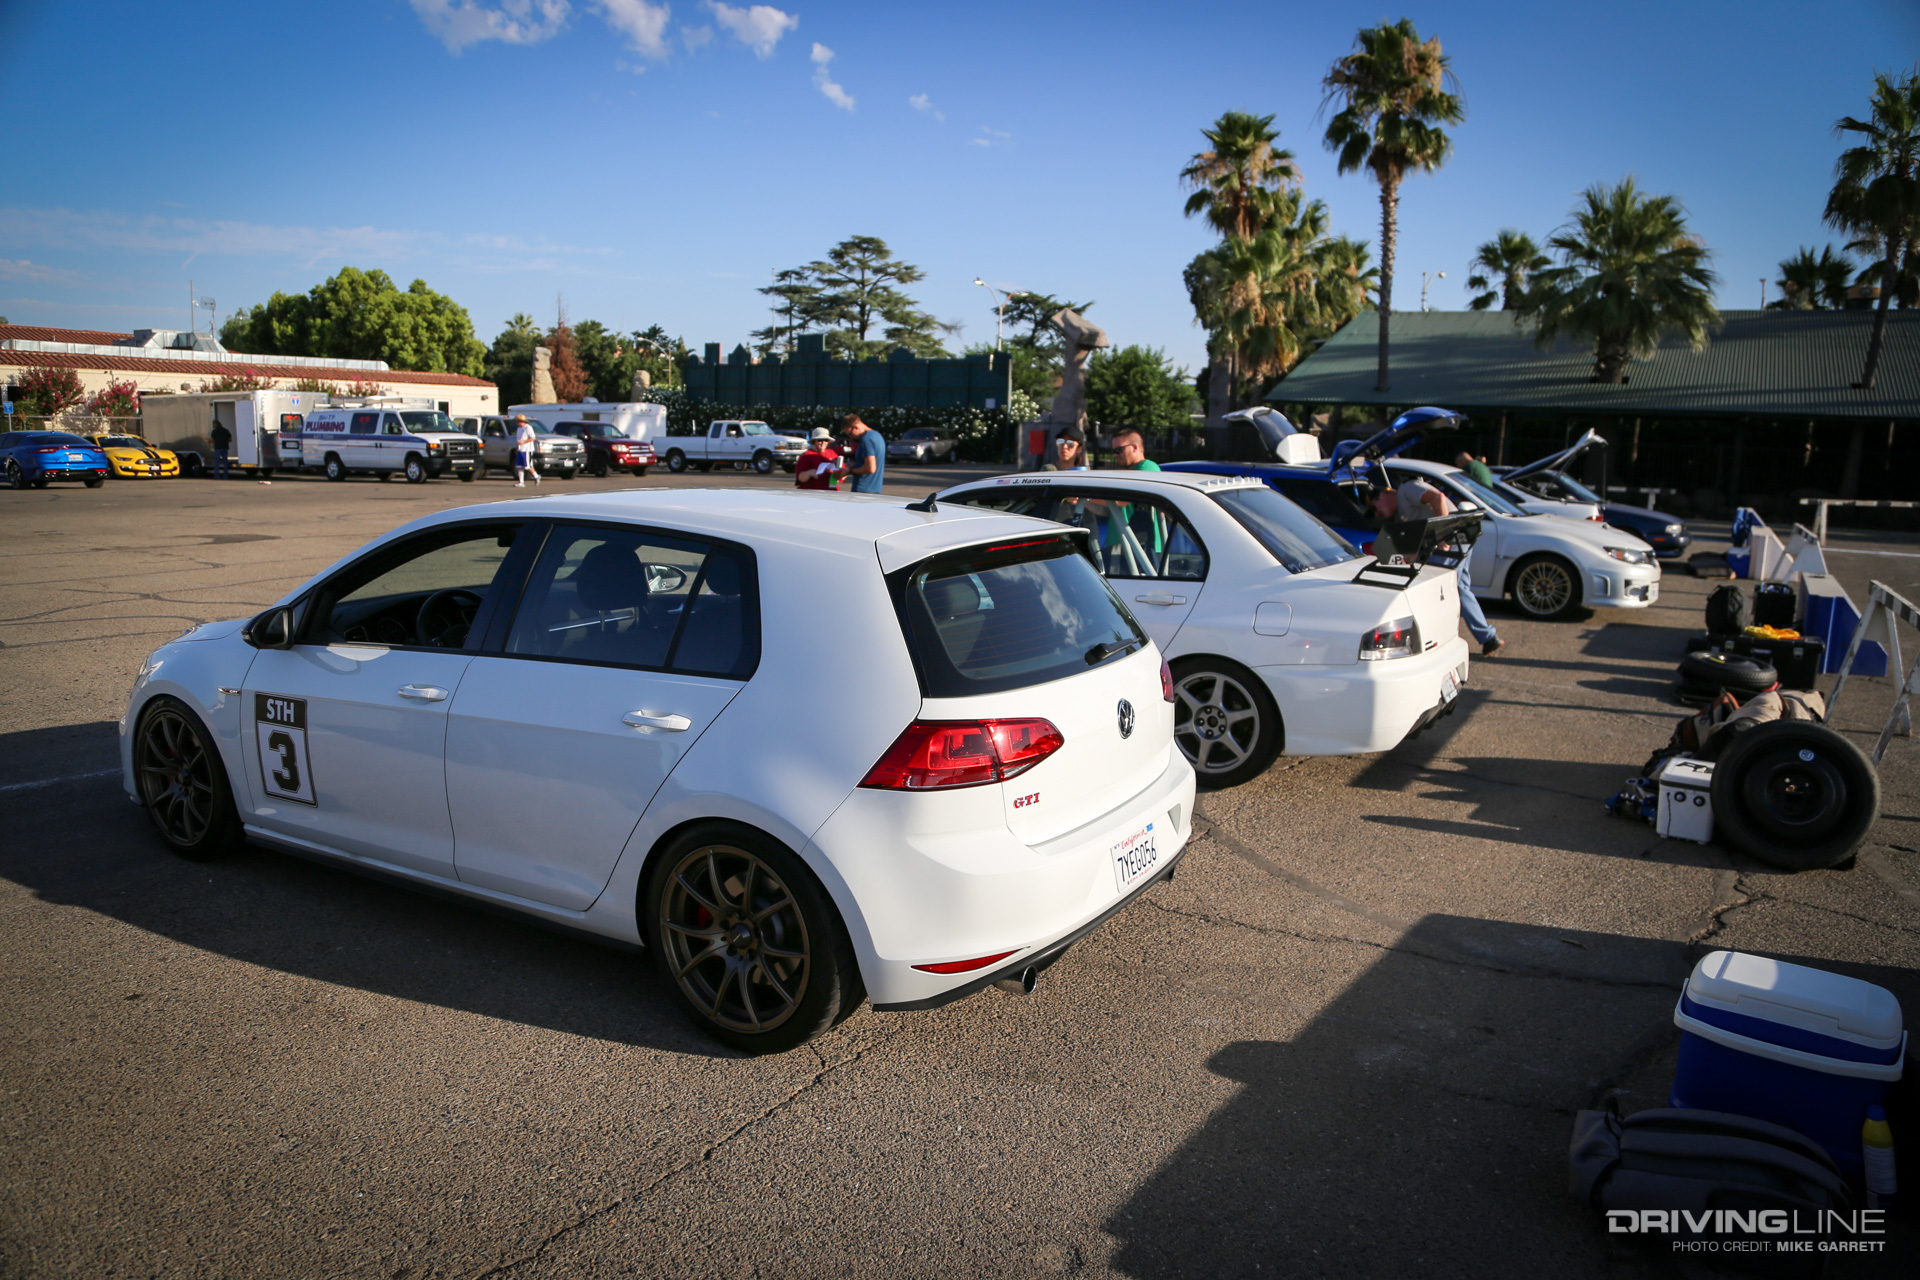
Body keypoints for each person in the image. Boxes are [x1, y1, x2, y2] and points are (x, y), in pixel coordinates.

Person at [1375, 478, 1504, 657]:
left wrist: (1443, 533)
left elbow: (1438, 498)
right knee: (1460, 588)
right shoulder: (1400, 510)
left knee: (1438, 591)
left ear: (1383, 495)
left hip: (1450, 540)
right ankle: (1488, 637)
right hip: (1459, 539)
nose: (1377, 514)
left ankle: (1438, 641)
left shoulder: (1407, 489)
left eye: (1374, 508)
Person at [840, 414, 885, 493]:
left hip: (863, 490)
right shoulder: (877, 436)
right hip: (876, 489)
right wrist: (855, 464)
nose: (851, 437)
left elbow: (870, 468)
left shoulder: (866, 439)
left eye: (850, 434)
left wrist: (850, 471)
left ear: (856, 426)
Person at [513, 415, 541, 487]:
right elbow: (518, 440)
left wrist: (524, 442)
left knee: (527, 466)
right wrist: (516, 448)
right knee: (519, 466)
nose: (517, 423)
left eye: (518, 421)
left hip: (527, 450)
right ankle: (521, 482)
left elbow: (533, 438)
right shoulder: (519, 428)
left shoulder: (528, 428)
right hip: (520, 449)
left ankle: (536, 476)